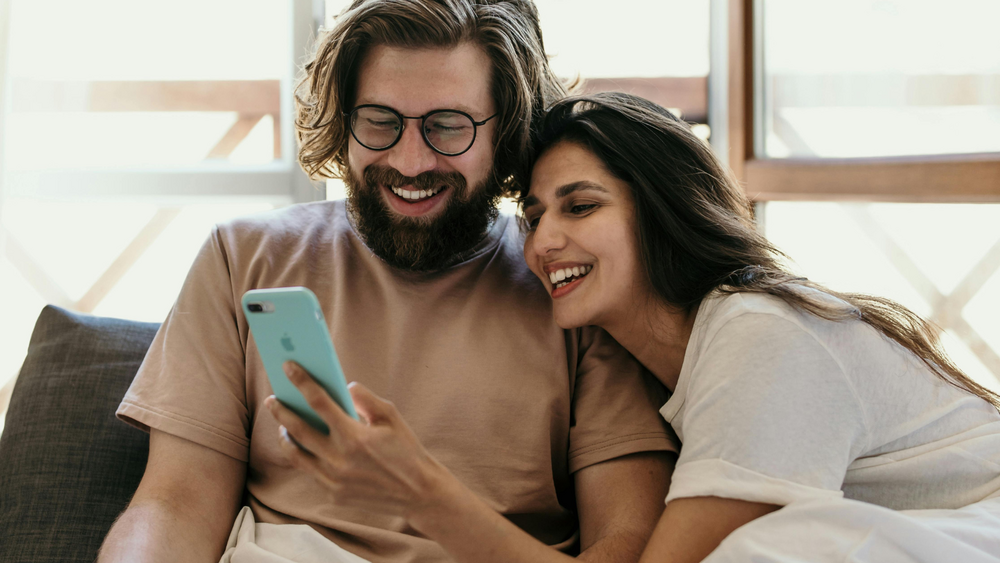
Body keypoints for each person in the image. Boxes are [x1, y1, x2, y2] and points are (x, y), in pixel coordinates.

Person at [97, 4, 678, 563]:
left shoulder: (573, 284)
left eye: (447, 127)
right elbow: (175, 505)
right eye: (380, 122)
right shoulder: (241, 256)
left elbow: (627, 542)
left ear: (506, 132)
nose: (410, 161)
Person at [519, 92, 1000, 563]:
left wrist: (444, 501)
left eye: (580, 206)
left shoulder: (760, 333)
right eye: (533, 218)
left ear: (664, 210)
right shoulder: (661, 360)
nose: (543, 242)